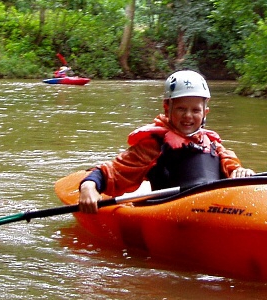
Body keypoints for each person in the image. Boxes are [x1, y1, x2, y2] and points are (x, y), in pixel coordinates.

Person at [78, 71, 255, 213]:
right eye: (181, 109)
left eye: (195, 110)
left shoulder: (212, 144)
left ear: (205, 113)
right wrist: (88, 186)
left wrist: (242, 172)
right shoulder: (154, 144)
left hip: (212, 211)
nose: (188, 116)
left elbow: (232, 168)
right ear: (167, 108)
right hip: (170, 214)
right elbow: (114, 172)